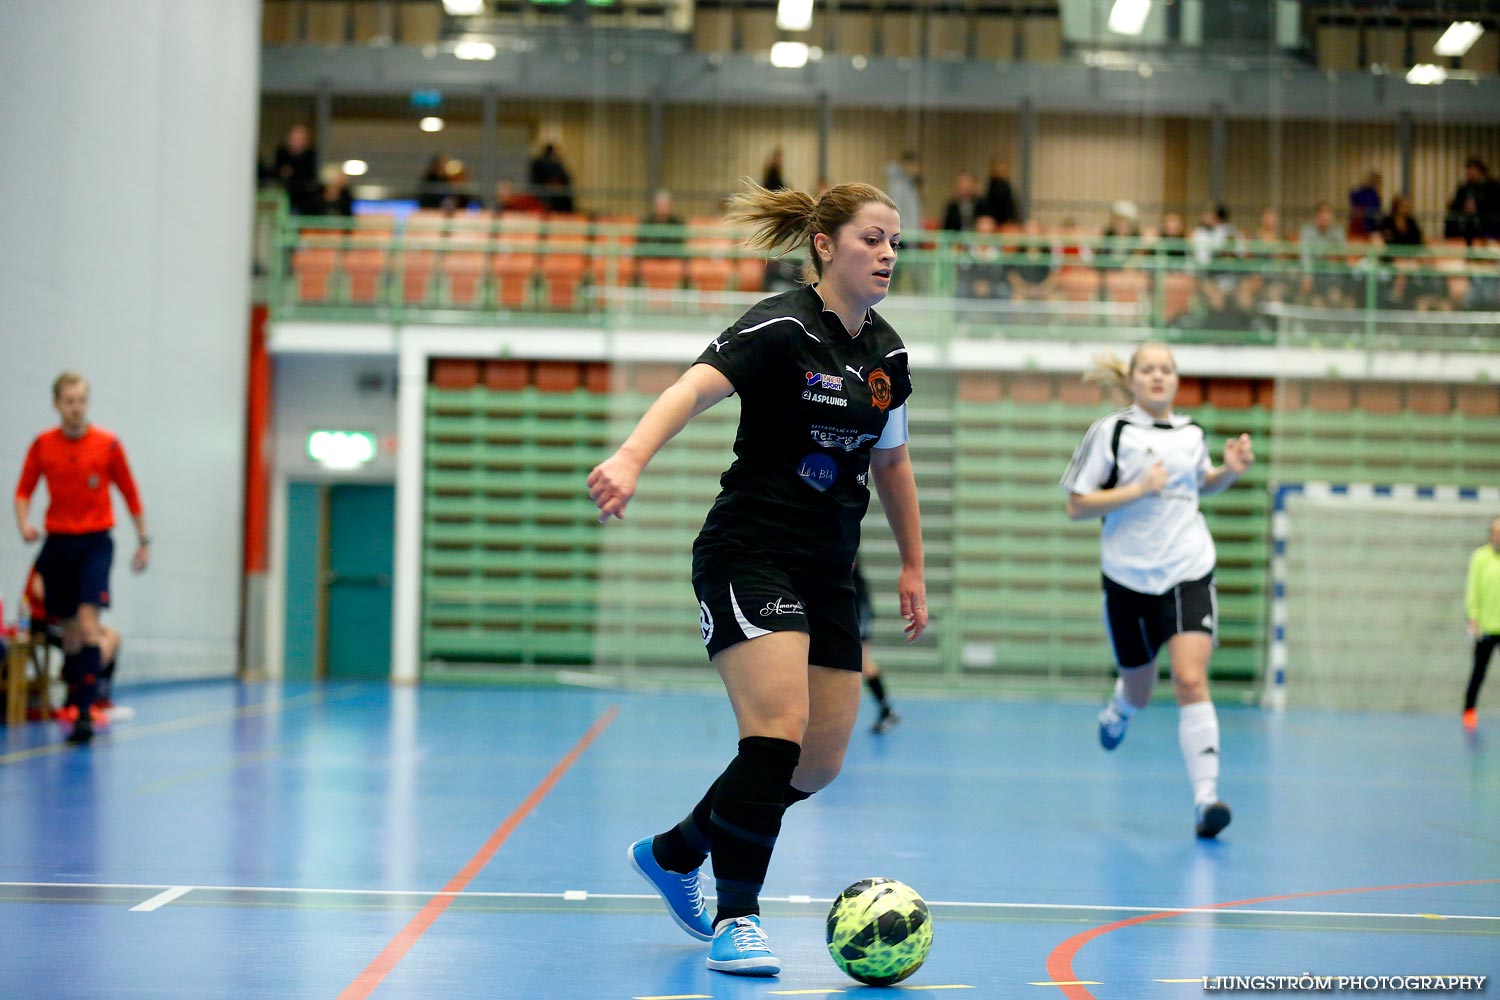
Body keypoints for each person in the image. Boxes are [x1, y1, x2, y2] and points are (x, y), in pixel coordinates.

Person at [588, 180, 927, 976]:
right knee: (774, 733)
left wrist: (912, 564)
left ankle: (676, 852)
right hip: (749, 551)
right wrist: (631, 457)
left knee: (817, 761)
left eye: (894, 243)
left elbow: (893, 459)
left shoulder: (888, 353)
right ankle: (738, 918)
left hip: (828, 568)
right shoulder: (778, 325)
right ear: (825, 244)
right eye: (871, 239)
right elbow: (691, 389)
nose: (886, 255)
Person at [1059, 343, 1254, 839]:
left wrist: (1228, 471)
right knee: (1141, 690)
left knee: (1190, 680)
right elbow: (1078, 505)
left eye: (1167, 369)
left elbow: (1197, 486)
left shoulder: (1191, 434)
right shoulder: (1113, 431)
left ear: (1176, 379)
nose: (1158, 376)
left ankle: (1206, 800)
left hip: (1187, 569)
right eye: (1148, 369)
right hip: (1128, 578)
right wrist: (1139, 489)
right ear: (1133, 379)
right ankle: (1120, 709)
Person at [14, 373, 150, 745]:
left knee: (90, 624)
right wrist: (24, 523)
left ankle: (87, 713)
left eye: (81, 400)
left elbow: (130, 492)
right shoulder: (43, 444)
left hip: (94, 541)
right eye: (69, 401)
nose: (76, 408)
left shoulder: (107, 445)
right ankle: (76, 702)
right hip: (58, 543)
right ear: (58, 404)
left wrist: (143, 538)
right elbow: (24, 489)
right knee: (71, 632)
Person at [23, 564, 127, 723]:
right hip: (47, 620)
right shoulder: (51, 557)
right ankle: (77, 695)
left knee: (113, 637)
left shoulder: (81, 562)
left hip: (71, 618)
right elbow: (39, 590)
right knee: (91, 641)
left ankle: (98, 695)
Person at [853, 557, 900, 734]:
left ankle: (887, 709)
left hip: (856, 607)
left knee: (863, 662)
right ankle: (887, 709)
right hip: (849, 604)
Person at [1463, 515, 1500, 732]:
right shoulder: (1480, 557)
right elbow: (1473, 590)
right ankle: (1469, 711)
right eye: (1496, 533)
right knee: (1478, 671)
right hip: (1486, 626)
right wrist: (1473, 618)